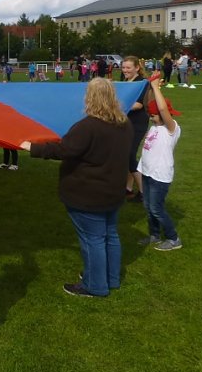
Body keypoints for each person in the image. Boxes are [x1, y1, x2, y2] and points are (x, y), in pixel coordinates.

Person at [21, 78, 133, 297]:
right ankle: (110, 278)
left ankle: (95, 285)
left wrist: (32, 148)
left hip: (88, 194)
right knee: (109, 235)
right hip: (113, 191)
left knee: (93, 240)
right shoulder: (124, 124)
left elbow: (64, 150)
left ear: (90, 98)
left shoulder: (88, 127)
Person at [138, 74, 183, 251]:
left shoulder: (172, 128)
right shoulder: (155, 127)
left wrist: (156, 87)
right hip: (147, 173)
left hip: (160, 176)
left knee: (156, 208)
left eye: (153, 115)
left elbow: (162, 109)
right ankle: (154, 235)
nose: (151, 118)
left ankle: (174, 238)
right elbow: (153, 106)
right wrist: (152, 87)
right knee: (148, 207)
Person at [121, 56, 149, 202]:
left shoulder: (142, 83)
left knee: (129, 155)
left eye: (128, 68)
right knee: (126, 154)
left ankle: (144, 192)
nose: (125, 70)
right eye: (123, 67)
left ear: (137, 68)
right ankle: (128, 188)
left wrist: (117, 107)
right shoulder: (126, 82)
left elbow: (138, 105)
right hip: (126, 123)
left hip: (137, 124)